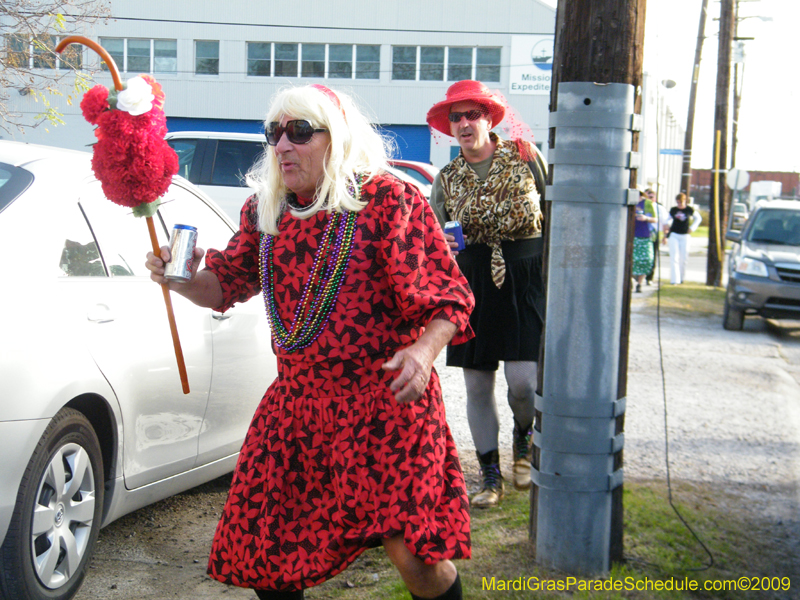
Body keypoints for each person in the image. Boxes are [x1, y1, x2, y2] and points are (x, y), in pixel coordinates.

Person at [146, 84, 474, 600]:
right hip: (297, 407)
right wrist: (181, 279)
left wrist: (423, 351)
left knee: (415, 560)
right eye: (273, 133)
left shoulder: (389, 199)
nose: (282, 145)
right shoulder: (265, 211)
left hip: (383, 405)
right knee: (264, 556)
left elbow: (449, 298)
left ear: (336, 137)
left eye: (300, 131)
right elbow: (224, 285)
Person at [425, 80, 547, 509]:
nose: (463, 123)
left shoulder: (526, 157)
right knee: (477, 385)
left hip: (525, 276)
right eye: (455, 117)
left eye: (471, 114)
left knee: (523, 383)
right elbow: (433, 240)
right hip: (473, 278)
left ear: (489, 118)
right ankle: (489, 475)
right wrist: (444, 244)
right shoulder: (447, 178)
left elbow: (555, 214)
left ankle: (524, 436)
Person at [667, 192, 702, 285]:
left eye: (681, 202)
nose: (679, 205)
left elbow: (698, 218)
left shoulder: (689, 209)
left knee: (683, 258)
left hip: (685, 235)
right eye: (678, 202)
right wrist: (667, 226)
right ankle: (674, 280)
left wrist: (692, 228)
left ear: (685, 201)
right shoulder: (673, 210)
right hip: (674, 234)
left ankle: (681, 278)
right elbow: (668, 219)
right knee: (674, 257)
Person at [633, 189, 658, 293]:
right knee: (633, 260)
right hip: (632, 235)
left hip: (645, 235)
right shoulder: (630, 202)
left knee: (646, 259)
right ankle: (632, 279)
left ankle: (640, 283)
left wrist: (645, 218)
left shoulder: (647, 203)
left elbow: (655, 219)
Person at [644, 188, 669, 285]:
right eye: (646, 196)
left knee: (652, 257)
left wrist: (665, 236)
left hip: (654, 234)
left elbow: (665, 224)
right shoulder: (642, 206)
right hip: (641, 234)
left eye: (651, 197)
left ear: (655, 197)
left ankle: (649, 277)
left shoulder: (660, 208)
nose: (649, 199)